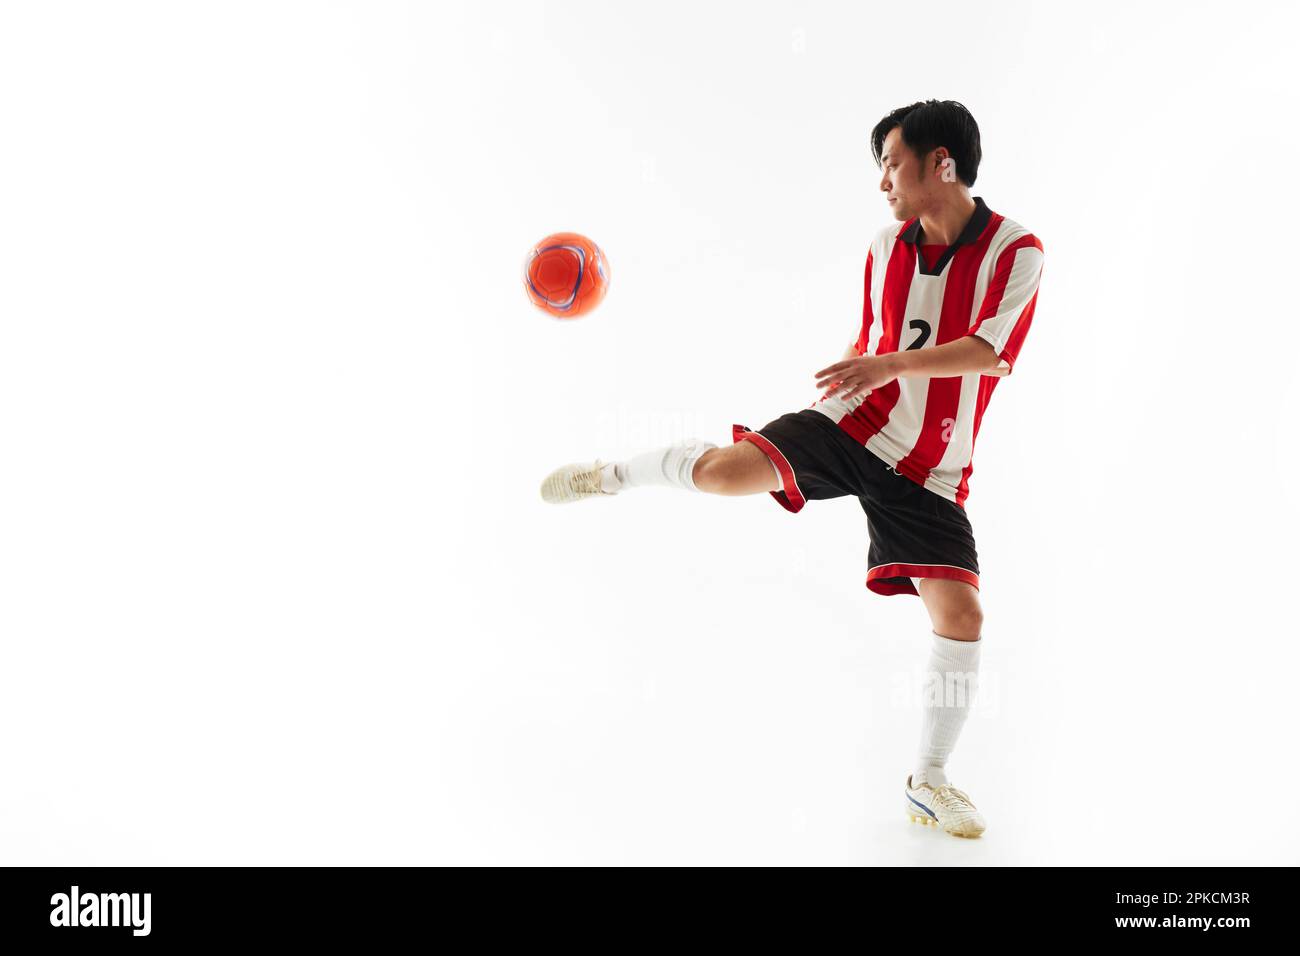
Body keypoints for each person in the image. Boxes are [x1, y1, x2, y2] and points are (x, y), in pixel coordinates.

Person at [540, 99, 1044, 839]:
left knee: (962, 618)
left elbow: (989, 353)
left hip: (931, 467)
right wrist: (857, 378)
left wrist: (886, 366)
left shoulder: (1016, 249)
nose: (883, 183)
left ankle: (929, 782)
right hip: (854, 424)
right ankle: (609, 474)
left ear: (942, 163)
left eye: (891, 163)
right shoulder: (884, 246)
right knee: (720, 474)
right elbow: (869, 343)